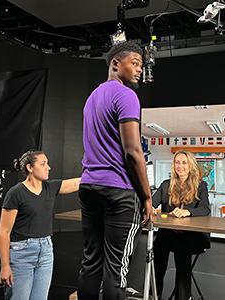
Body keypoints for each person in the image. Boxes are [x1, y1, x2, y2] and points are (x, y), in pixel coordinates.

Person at [77, 40, 154, 300]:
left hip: (88, 186)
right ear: (115, 63)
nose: (139, 69)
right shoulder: (126, 95)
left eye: (141, 65)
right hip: (118, 190)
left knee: (91, 263)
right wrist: (147, 197)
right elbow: (132, 151)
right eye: (135, 63)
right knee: (115, 270)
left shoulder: (91, 98)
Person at [0, 149, 81, 300]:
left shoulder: (50, 187)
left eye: (47, 164)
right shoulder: (16, 193)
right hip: (21, 253)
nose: (48, 167)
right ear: (30, 168)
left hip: (46, 252)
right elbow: (4, 232)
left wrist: (102, 172)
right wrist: (5, 266)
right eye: (43, 164)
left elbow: (77, 183)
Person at [152, 149, 211, 300]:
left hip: (188, 236)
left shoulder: (201, 185)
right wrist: (150, 207)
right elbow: (152, 202)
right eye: (177, 162)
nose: (180, 166)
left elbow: (205, 209)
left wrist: (188, 212)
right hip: (166, 234)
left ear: (190, 165)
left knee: (183, 266)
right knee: (157, 263)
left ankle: (184, 297)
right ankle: (154, 295)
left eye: (184, 162)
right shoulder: (166, 185)